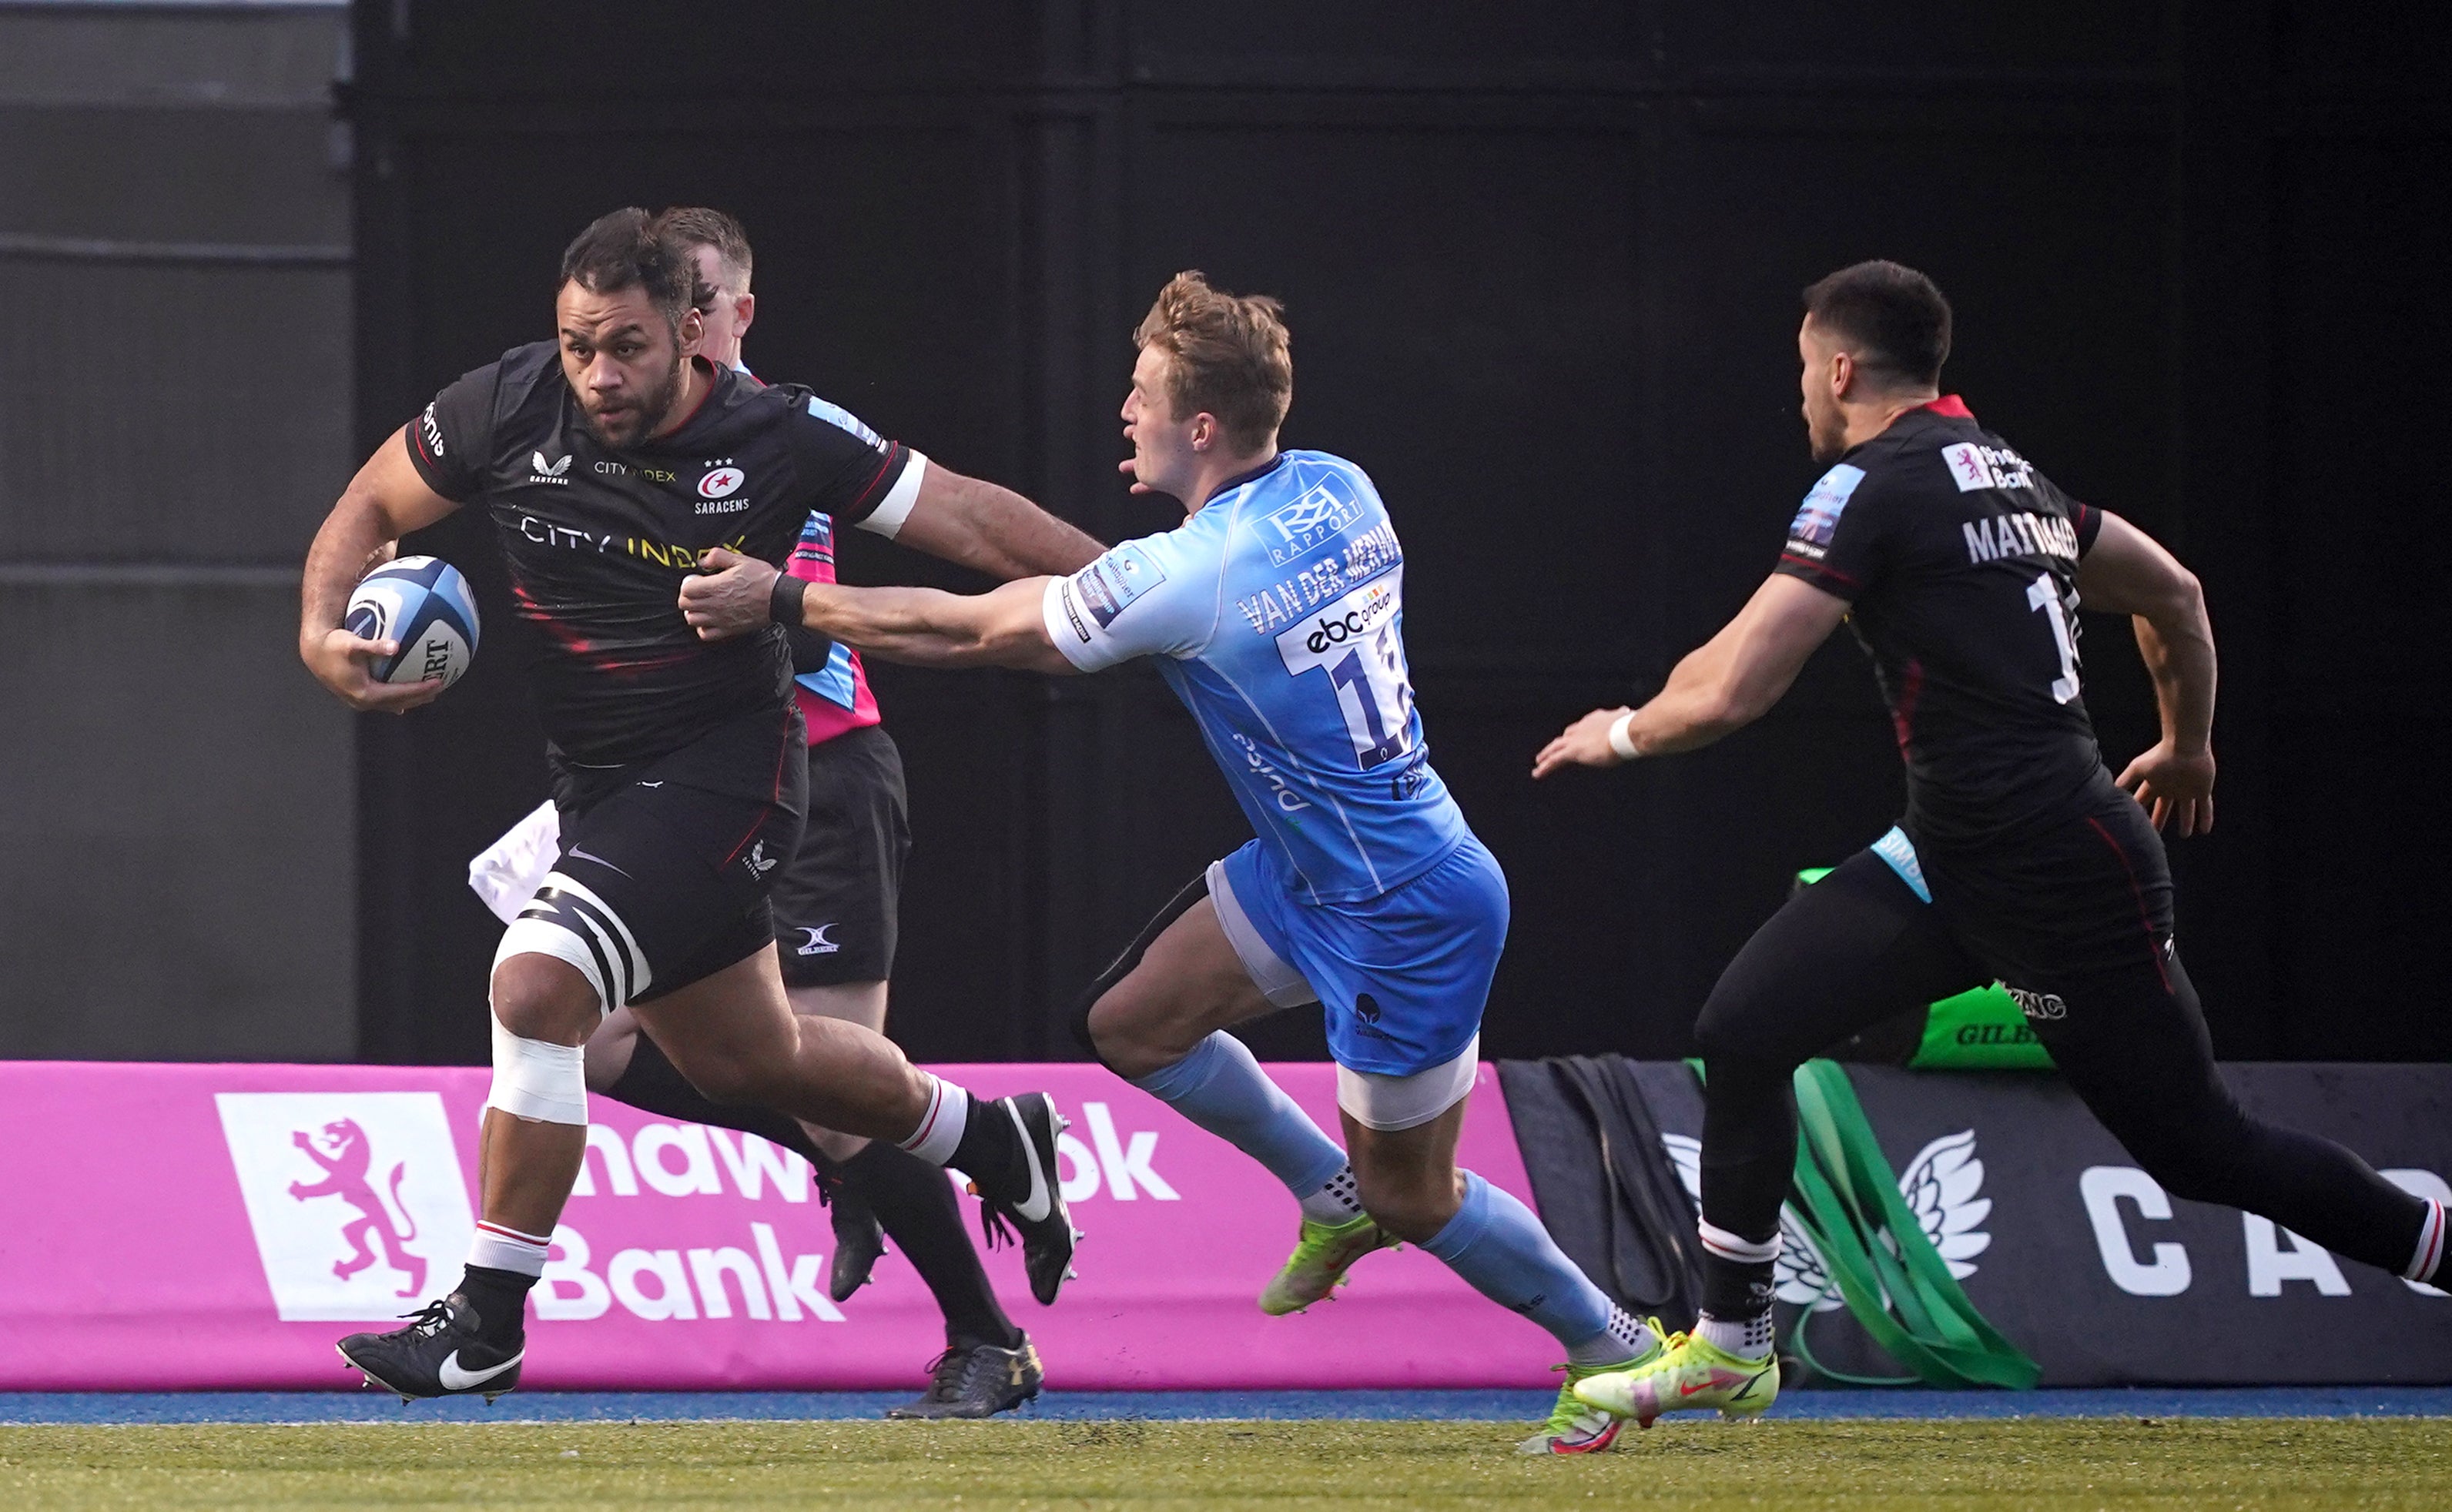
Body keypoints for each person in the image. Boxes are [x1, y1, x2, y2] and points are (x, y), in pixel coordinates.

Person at [679, 271, 1663, 1456]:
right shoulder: (1341, 487)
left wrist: (786, 598)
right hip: (1317, 868)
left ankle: (1619, 1347)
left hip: (1405, 906)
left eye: (1142, 395)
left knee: (1419, 1194)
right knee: (1132, 1025)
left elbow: (977, 630)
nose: (1124, 415)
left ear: (1201, 426)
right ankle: (1324, 1192)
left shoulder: (1192, 574)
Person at [1534, 259, 2450, 1429]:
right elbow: (2175, 594)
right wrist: (2189, 749)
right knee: (1745, 1031)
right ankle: (1732, 1342)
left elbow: (1736, 691)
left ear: (1841, 366)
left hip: (2058, 869)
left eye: (1804, 373)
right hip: (1950, 858)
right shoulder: (2009, 473)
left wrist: (1620, 736)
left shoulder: (1870, 484)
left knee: (2204, 1151)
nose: (1803, 398)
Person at [299, 208, 1090, 1403]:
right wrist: (319, 633)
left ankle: (487, 1318)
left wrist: (1143, 585)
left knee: (536, 980)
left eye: (625, 347)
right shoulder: (505, 404)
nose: (599, 375)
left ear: (693, 338)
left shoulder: (781, 432)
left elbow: (970, 516)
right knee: (752, 1062)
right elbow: (368, 506)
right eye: (579, 346)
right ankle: (987, 1136)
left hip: (737, 775)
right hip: (602, 787)